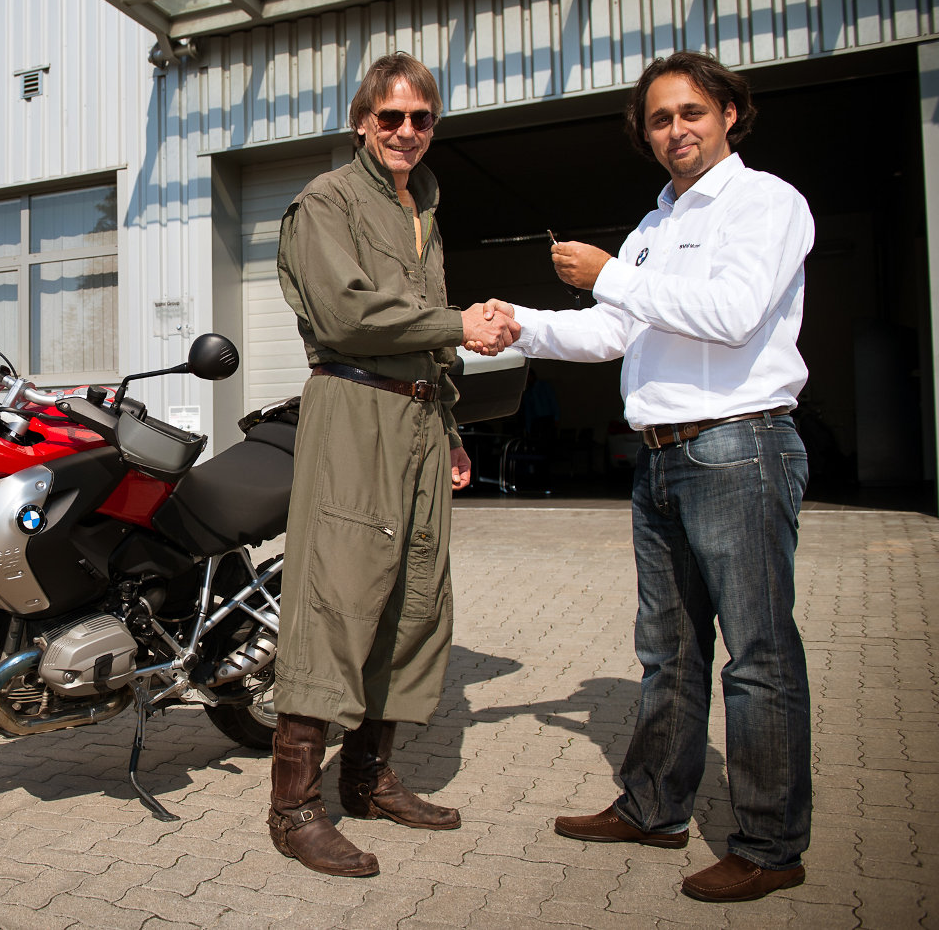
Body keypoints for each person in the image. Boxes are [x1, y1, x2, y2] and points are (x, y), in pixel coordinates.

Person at [484, 51, 813, 902]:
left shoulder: (766, 203)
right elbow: (611, 332)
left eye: (691, 112)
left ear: (730, 114)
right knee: (668, 651)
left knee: (757, 657)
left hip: (739, 446)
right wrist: (515, 325)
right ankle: (655, 807)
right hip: (661, 457)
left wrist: (611, 274)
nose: (676, 130)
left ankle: (771, 845)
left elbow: (733, 315)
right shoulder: (654, 223)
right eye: (660, 119)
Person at [270, 52, 518, 877]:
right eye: (391, 117)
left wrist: (449, 426)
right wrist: (458, 324)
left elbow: (424, 336)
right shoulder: (327, 201)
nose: (406, 130)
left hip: (416, 417)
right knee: (336, 597)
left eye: (421, 118)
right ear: (361, 122)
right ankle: (293, 806)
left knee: (412, 597)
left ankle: (369, 778)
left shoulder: (423, 213)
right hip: (354, 408)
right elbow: (347, 313)